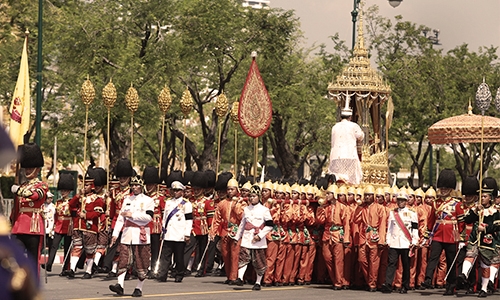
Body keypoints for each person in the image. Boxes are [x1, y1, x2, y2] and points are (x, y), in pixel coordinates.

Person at [421, 169, 465, 296]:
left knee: (451, 262)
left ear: (451, 189)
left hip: (451, 235)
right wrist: (427, 235)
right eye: (442, 188)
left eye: (446, 188)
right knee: (433, 257)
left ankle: (451, 286)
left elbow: (461, 221)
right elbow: (431, 220)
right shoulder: (436, 203)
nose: (444, 190)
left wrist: (462, 237)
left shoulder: (457, 204)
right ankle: (428, 279)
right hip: (438, 234)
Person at [109, 176, 155, 297]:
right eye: (133, 185)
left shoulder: (148, 200)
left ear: (141, 186)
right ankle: (120, 285)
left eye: (137, 185)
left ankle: (139, 287)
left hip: (141, 234)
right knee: (123, 259)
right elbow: (120, 218)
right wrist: (115, 234)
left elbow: (149, 217)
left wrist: (132, 215)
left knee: (141, 261)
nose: (134, 187)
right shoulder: (126, 199)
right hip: (127, 233)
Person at [458, 177, 500, 298]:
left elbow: (498, 226)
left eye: (485, 196)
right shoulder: (476, 208)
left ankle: (484, 288)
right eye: (481, 196)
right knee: (469, 255)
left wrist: (486, 228)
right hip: (475, 238)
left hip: (488, 240)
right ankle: (464, 274)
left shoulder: (495, 211)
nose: (482, 198)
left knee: (485, 264)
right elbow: (467, 220)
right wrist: (475, 211)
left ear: (490, 198)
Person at [10, 143, 49, 268]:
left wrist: (18, 191)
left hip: (33, 227)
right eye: (26, 168)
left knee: (33, 259)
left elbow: (35, 196)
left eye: (30, 168)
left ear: (37, 169)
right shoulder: (22, 186)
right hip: (19, 227)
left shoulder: (42, 185)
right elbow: (16, 208)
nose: (27, 170)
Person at [233, 185, 273, 291]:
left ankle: (258, 282)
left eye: (254, 196)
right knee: (243, 258)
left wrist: (259, 236)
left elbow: (270, 225)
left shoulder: (264, 210)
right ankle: (240, 278)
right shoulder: (246, 209)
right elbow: (242, 225)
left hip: (258, 239)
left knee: (258, 262)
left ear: (259, 197)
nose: (251, 198)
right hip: (246, 238)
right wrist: (237, 237)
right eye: (250, 196)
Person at [67, 169, 105, 279]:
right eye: (84, 184)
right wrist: (78, 196)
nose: (84, 187)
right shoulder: (80, 197)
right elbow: (71, 205)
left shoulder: (97, 199)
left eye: (87, 185)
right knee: (77, 247)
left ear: (92, 186)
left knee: (89, 250)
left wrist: (87, 215)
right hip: (78, 226)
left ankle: (88, 271)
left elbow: (97, 213)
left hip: (89, 227)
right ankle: (72, 269)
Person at [380, 193, 419, 294]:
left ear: (406, 202)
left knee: (406, 265)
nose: (400, 202)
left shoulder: (412, 213)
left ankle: (405, 285)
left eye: (402, 200)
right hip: (394, 242)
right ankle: (388, 284)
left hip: (406, 242)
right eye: (399, 200)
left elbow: (415, 228)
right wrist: (388, 240)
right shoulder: (393, 213)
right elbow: (389, 228)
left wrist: (414, 240)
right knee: (391, 263)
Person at [156, 180, 193, 283]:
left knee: (179, 256)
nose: (175, 192)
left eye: (178, 190)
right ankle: (162, 274)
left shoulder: (187, 204)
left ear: (182, 191)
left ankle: (179, 274)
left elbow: (189, 220)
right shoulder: (168, 202)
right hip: (169, 233)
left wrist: (187, 234)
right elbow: (164, 218)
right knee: (165, 255)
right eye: (174, 190)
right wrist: (163, 230)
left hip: (179, 233)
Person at [44, 173, 74, 275]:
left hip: (68, 226)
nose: (63, 192)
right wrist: (53, 227)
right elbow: (56, 216)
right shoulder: (58, 202)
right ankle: (49, 264)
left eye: (65, 190)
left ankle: (66, 269)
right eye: (62, 190)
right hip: (59, 226)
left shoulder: (72, 202)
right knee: (54, 246)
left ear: (69, 191)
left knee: (67, 249)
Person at [327, 105, 364, 185]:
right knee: (352, 178)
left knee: (338, 175)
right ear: (350, 117)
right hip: (349, 155)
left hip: (335, 156)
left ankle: (337, 182)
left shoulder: (335, 126)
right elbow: (360, 136)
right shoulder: (353, 126)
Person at [41, 192, 55, 271]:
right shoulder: (42, 206)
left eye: (49, 198)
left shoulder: (53, 207)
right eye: (47, 198)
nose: (48, 200)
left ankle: (49, 264)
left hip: (51, 229)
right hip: (44, 228)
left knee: (51, 246)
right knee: (41, 245)